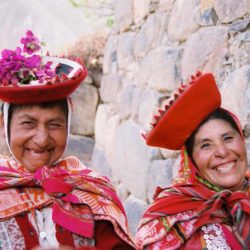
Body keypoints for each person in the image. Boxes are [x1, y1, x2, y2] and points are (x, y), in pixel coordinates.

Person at [0, 30, 135, 249]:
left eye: (54, 124)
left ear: (68, 127)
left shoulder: (93, 191)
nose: (42, 139)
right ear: (5, 127)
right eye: (28, 124)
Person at [135, 72, 250, 249]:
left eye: (228, 138)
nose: (222, 151)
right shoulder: (171, 218)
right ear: (191, 161)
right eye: (206, 145)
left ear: (242, 140)